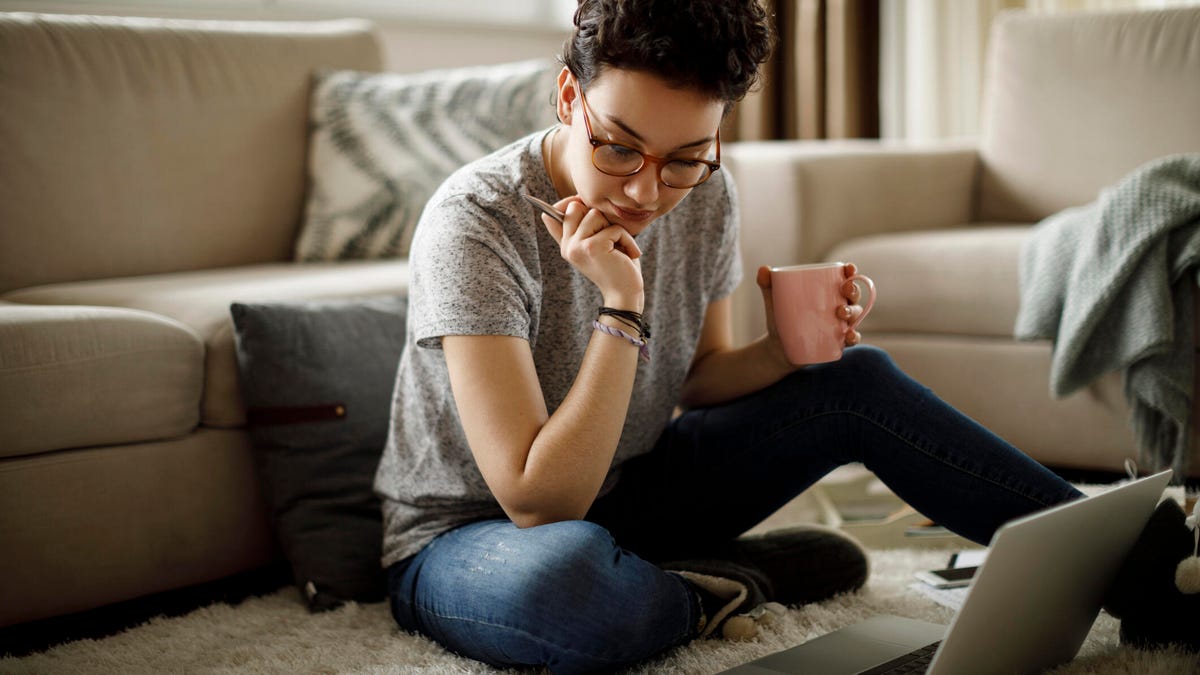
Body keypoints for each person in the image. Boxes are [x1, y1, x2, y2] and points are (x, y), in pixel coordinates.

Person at [371, 0, 1171, 671]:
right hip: (476, 537)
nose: (649, 190)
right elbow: (539, 499)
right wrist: (622, 307)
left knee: (855, 378)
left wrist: (787, 353)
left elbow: (700, 377)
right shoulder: (477, 222)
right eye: (619, 147)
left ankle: (1147, 568)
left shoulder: (705, 193)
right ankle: (717, 583)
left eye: (687, 157)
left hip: (633, 488)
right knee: (570, 592)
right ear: (569, 98)